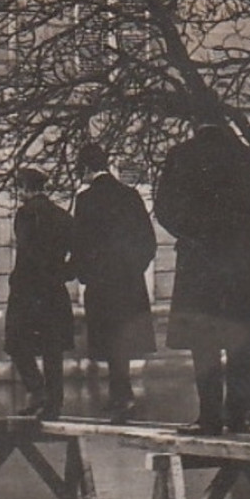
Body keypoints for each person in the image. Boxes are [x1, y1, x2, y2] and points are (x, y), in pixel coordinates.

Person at [155, 122, 250, 434]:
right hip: (236, 261)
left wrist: (190, 232)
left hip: (198, 260)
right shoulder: (246, 157)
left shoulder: (181, 155)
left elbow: (163, 208)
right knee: (237, 337)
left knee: (202, 341)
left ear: (195, 125)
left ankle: (209, 416)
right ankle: (238, 415)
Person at [71, 143, 157, 422]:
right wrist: (134, 268)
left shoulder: (86, 200)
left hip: (101, 284)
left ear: (86, 168)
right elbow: (148, 241)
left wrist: (86, 274)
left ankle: (120, 393)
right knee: (124, 336)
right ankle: (122, 391)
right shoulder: (130, 196)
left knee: (108, 338)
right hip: (129, 283)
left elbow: (81, 245)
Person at [5, 168, 76, 420]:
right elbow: (77, 252)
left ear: (25, 188)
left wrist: (19, 281)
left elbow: (27, 252)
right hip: (54, 290)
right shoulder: (63, 216)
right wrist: (63, 273)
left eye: (19, 188)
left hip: (28, 290)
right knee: (52, 349)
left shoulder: (25, 215)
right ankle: (54, 405)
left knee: (15, 341)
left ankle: (37, 390)